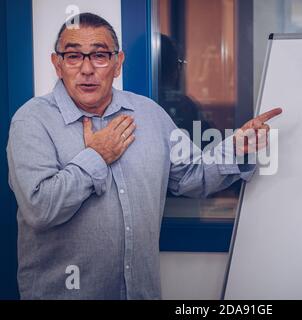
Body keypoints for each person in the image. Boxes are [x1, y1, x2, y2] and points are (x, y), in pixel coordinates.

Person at [7, 13, 282, 300]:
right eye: (74, 56)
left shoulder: (150, 114)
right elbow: (40, 209)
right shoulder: (32, 121)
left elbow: (191, 175)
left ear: (117, 63)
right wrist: (97, 156)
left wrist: (237, 148)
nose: (87, 69)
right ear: (57, 64)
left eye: (100, 55)